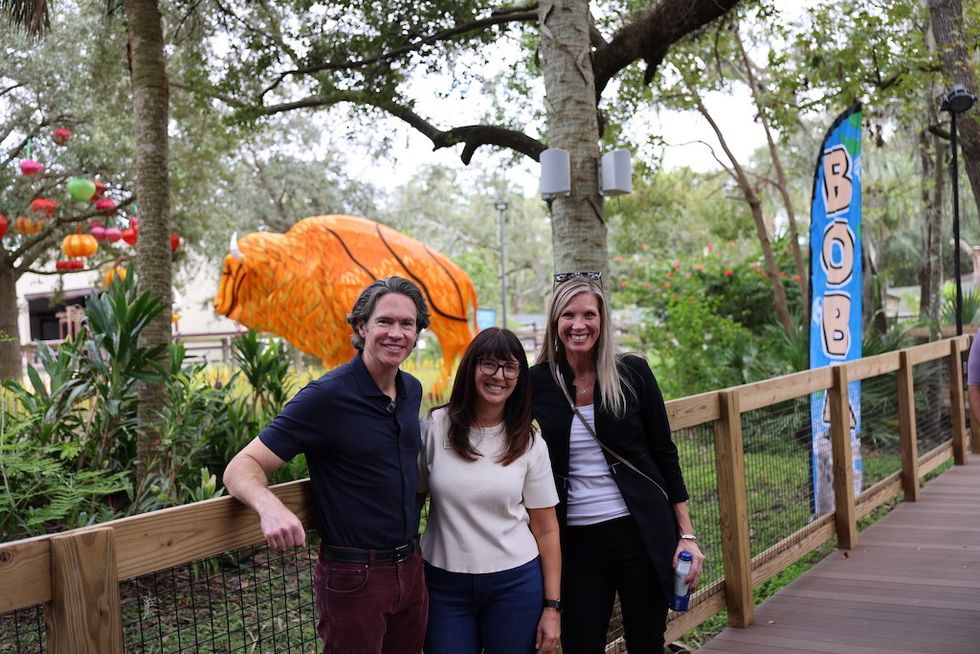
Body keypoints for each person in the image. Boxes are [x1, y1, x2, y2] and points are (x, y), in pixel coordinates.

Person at [223, 276, 431, 654]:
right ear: (361, 326)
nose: (396, 333)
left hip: (411, 566)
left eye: (407, 324)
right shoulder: (326, 397)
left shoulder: (410, 389)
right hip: (354, 575)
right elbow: (242, 464)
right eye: (385, 321)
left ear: (418, 333)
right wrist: (269, 507)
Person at [530, 272, 704, 653]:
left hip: (639, 532)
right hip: (574, 541)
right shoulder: (536, 382)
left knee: (646, 641)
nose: (579, 325)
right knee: (582, 643)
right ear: (555, 322)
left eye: (589, 315)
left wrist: (686, 533)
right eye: (568, 315)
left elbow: (664, 453)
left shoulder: (633, 373)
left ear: (602, 320)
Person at [419, 327, 562, 654]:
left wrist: (552, 607)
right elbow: (412, 501)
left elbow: (547, 528)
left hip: (514, 585)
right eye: (489, 364)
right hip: (443, 585)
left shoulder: (529, 442)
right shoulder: (435, 427)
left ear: (519, 377)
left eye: (510, 367)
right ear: (471, 367)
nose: (499, 375)